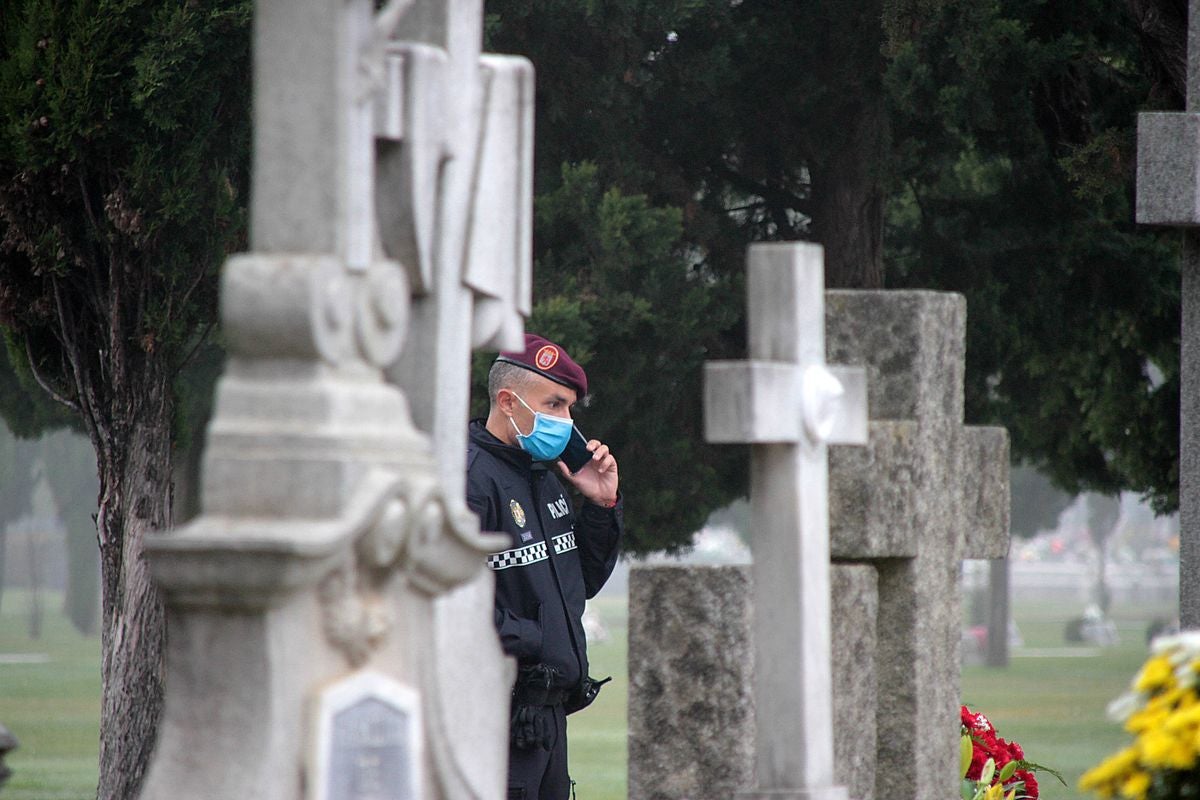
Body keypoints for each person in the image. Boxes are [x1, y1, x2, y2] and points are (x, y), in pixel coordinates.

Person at [466, 334, 622, 800]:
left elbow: (582, 583)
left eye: (570, 408)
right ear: (509, 401)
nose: (566, 422)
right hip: (498, 717)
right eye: (554, 405)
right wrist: (538, 639)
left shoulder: (543, 475)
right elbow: (451, 606)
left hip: (547, 719)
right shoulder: (471, 479)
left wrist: (601, 504)